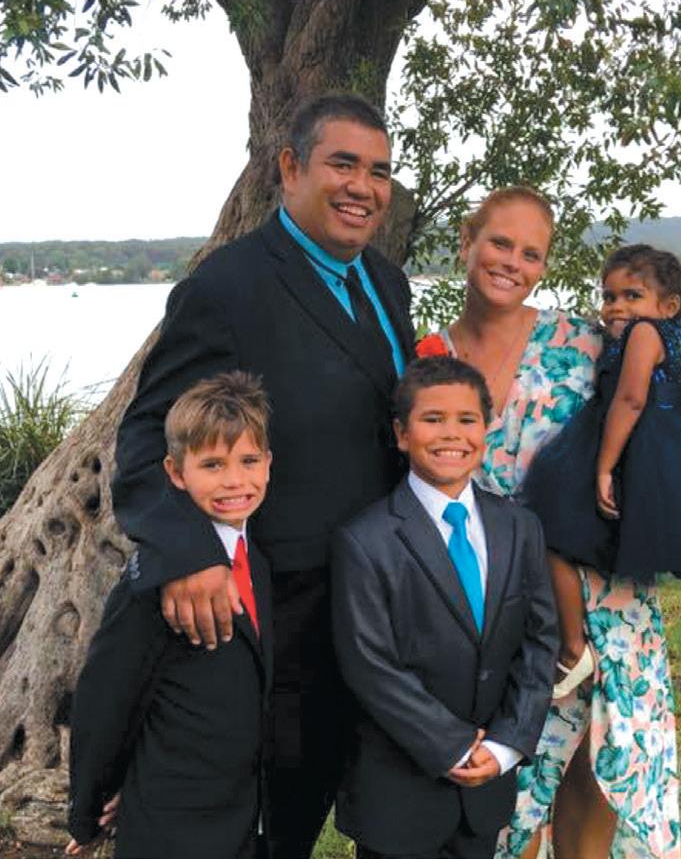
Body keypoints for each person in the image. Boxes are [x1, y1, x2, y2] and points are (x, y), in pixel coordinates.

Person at [111, 93, 416, 858]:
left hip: (377, 608)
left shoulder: (388, 283)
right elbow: (149, 434)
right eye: (343, 164)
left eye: (379, 171)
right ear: (290, 167)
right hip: (282, 620)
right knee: (275, 825)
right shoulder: (229, 285)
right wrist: (187, 552)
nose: (363, 187)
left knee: (374, 812)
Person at [417, 187, 681, 859]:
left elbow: (659, 416)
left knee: (599, 769)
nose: (513, 262)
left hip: (607, 596)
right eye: (499, 243)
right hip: (497, 604)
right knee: (511, 792)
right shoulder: (429, 358)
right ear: (467, 242)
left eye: (531, 253)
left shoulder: (585, 340)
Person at [331, 356, 559, 859]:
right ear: (402, 433)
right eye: (432, 419)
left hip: (487, 787)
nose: (451, 434)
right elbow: (369, 664)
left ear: (486, 429)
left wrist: (505, 745)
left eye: (466, 419)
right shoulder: (365, 540)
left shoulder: (520, 527)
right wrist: (452, 745)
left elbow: (540, 642)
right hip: (397, 795)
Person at [521, 245, 681, 695]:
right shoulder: (662, 333)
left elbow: (630, 400)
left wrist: (604, 467)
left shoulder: (645, 333)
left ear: (669, 306)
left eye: (632, 295)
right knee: (569, 533)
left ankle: (573, 648)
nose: (616, 307)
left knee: (547, 527)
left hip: (633, 446)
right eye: (608, 296)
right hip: (654, 446)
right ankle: (585, 636)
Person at [66, 371, 273, 859]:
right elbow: (107, 698)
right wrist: (89, 808)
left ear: (268, 463)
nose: (235, 481)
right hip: (171, 827)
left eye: (248, 461)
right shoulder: (156, 581)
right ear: (176, 473)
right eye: (212, 465)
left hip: (240, 817)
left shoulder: (259, 562)